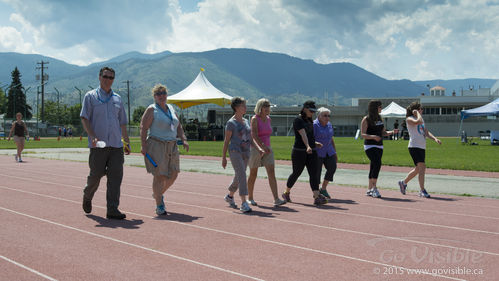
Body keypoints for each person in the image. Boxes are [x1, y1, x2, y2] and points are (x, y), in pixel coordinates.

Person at [80, 66, 131, 220]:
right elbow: (84, 118)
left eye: (111, 78)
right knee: (96, 175)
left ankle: (112, 209)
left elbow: (122, 122)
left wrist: (126, 141)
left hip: (116, 145)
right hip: (99, 145)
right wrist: (93, 136)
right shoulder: (91, 96)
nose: (108, 80)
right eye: (105, 76)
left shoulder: (117, 98)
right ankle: (88, 195)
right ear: (99, 77)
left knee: (115, 177)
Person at [140, 84, 189, 215]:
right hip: (157, 144)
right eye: (158, 94)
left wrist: (183, 139)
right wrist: (143, 146)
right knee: (160, 175)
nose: (162, 96)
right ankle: (159, 204)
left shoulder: (171, 108)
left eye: (164, 93)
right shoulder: (152, 109)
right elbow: (143, 128)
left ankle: (157, 194)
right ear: (154, 97)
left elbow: (179, 126)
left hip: (172, 145)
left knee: (174, 174)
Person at [283, 100, 327, 205]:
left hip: (311, 151)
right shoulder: (298, 120)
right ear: (305, 109)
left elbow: (310, 136)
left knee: (314, 174)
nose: (312, 113)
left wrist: (314, 143)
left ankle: (316, 196)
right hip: (299, 151)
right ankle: (286, 192)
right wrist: (307, 146)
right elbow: (303, 135)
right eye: (311, 111)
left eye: (313, 111)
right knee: (296, 173)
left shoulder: (309, 120)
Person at [246, 98, 287, 207]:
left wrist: (266, 147)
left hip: (268, 148)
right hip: (256, 148)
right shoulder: (255, 119)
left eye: (268, 106)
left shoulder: (269, 119)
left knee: (271, 172)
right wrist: (262, 146)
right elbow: (254, 135)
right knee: (253, 173)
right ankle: (250, 197)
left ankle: (276, 199)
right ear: (260, 107)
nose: (268, 108)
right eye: (265, 106)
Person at [398, 102, 441, 198]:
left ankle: (403, 183)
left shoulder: (421, 119)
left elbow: (425, 132)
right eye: (420, 109)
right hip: (414, 146)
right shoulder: (409, 119)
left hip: (421, 147)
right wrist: (416, 113)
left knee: (418, 169)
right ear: (415, 110)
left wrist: (435, 138)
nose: (422, 111)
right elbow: (418, 121)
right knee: (422, 167)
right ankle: (422, 190)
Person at [360, 100, 397, 198]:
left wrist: (392, 132)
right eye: (380, 107)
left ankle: (369, 189)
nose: (381, 108)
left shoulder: (380, 118)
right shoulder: (366, 119)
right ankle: (374, 188)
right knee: (377, 163)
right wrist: (373, 137)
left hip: (379, 145)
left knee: (373, 165)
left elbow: (383, 133)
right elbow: (363, 134)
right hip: (369, 145)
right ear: (375, 108)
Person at [222, 97, 252, 213]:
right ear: (236, 107)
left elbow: (250, 137)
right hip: (235, 152)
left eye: (245, 105)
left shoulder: (246, 121)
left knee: (239, 176)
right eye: (242, 105)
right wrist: (224, 158)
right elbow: (226, 141)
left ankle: (229, 196)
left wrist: (259, 148)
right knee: (242, 175)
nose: (245, 108)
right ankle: (244, 202)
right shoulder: (231, 123)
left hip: (246, 152)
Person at [313, 107, 337, 199]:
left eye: (328, 116)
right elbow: (310, 138)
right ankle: (316, 192)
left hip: (329, 151)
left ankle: (323, 188)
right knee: (317, 173)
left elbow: (331, 138)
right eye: (325, 115)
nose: (327, 118)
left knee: (332, 167)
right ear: (319, 116)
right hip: (318, 152)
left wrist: (334, 152)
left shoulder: (329, 125)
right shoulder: (314, 125)